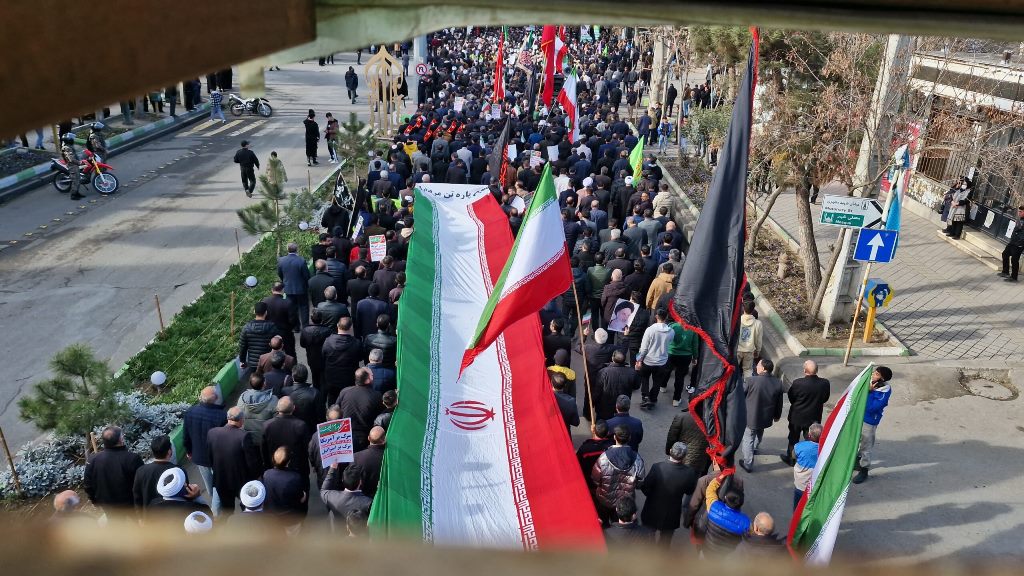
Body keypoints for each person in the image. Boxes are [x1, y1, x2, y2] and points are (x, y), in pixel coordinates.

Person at [207, 406, 261, 516]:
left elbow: (210, 456)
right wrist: (256, 477)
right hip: (241, 481)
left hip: (221, 479)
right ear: (241, 420)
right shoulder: (244, 436)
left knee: (227, 510)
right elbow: (251, 463)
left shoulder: (212, 433)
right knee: (247, 506)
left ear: (228, 418)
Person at [640, 441, 697, 547]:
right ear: (684, 456)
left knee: (648, 538)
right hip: (672, 513)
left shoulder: (657, 467)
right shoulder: (690, 472)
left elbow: (645, 487)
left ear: (670, 451)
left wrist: (650, 495)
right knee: (665, 542)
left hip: (652, 509)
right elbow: (689, 491)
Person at [182, 386, 227, 515]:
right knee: (218, 483)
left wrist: (189, 451)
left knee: (208, 482)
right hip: (216, 457)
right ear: (216, 398)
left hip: (198, 456)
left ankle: (214, 501)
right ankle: (215, 511)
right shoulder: (222, 415)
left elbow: (186, 435)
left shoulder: (190, 412)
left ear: (200, 398)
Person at [591, 425, 646, 526]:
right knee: (621, 525)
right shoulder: (637, 459)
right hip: (625, 503)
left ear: (614, 437)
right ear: (629, 438)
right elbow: (640, 483)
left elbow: (595, 480)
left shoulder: (603, 458)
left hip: (605, 500)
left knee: (604, 523)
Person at [83, 426, 144, 513]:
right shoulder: (132, 458)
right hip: (131, 505)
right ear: (121, 440)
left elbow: (88, 484)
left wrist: (94, 501)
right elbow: (142, 482)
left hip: (107, 506)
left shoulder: (93, 459)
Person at [740, 358, 784, 473]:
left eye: (758, 365)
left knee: (748, 439)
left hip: (751, 416)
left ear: (763, 368)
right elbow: (779, 403)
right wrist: (777, 416)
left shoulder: (750, 381)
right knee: (759, 432)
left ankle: (748, 463)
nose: (756, 367)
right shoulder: (778, 383)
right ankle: (754, 448)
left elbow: (740, 397)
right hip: (766, 417)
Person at [782, 360, 830, 465]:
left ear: (804, 370)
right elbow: (825, 398)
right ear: (817, 370)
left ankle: (791, 459)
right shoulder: (825, 383)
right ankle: (809, 459)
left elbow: (791, 397)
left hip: (797, 417)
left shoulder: (797, 383)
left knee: (793, 438)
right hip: (814, 417)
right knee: (811, 440)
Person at [262, 397, 312, 491]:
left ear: (277, 409)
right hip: (298, 467)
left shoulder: (267, 425)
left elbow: (263, 449)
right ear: (293, 408)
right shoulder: (301, 425)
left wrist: (267, 466)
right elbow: (307, 448)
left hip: (275, 466)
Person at [854, 365, 893, 484]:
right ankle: (856, 460)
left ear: (882, 379)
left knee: (866, 445)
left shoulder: (883, 392)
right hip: (859, 416)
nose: (872, 375)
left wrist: (868, 392)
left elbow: (871, 407)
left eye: (876, 374)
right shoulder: (870, 383)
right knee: (857, 440)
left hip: (869, 420)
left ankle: (864, 469)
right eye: (874, 372)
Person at [703, 470, 751, 557]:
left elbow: (710, 490)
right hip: (725, 557)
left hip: (707, 551)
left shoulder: (713, 507)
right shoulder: (746, 523)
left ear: (725, 498)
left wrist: (720, 477)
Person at [337, 368, 384, 451]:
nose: (373, 377)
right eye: (372, 375)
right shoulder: (376, 396)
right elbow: (380, 417)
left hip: (345, 435)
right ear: (367, 380)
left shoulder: (344, 392)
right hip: (364, 437)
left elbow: (336, 410)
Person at [635, 308, 674, 409]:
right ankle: (653, 399)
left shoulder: (650, 330)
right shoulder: (671, 331)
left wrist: (639, 359)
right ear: (666, 317)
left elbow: (644, 348)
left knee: (645, 378)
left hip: (648, 361)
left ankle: (645, 398)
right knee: (657, 382)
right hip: (662, 362)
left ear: (656, 316)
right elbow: (669, 343)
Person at [132, 435, 177, 516]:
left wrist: (140, 518)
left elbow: (137, 497)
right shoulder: (177, 471)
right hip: (173, 516)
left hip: (151, 517)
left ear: (153, 452)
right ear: (169, 451)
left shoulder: (141, 471)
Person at [262, 446, 308, 523]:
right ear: (288, 461)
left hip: (271, 518)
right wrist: (304, 494)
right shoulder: (295, 478)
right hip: (289, 519)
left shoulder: (266, 474)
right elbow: (301, 499)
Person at [322, 317, 363, 404]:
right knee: (348, 402)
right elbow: (360, 358)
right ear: (351, 328)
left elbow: (323, 357)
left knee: (332, 401)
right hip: (349, 379)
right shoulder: (356, 343)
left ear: (337, 325)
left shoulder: (328, 341)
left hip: (331, 378)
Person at [321, 463, 372, 532]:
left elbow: (323, 490)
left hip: (337, 534)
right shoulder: (368, 503)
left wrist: (332, 469)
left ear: (342, 480)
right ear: (360, 482)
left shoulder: (332, 497)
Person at [239, 303, 282, 379]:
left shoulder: (246, 328)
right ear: (266, 312)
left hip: (253, 364)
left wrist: (242, 360)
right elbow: (277, 343)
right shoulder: (272, 327)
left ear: (254, 312)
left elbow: (242, 346)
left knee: (256, 382)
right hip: (268, 362)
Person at [595, 350, 639, 421]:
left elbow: (597, 390)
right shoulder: (632, 372)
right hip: (622, 406)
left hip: (604, 407)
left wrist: (593, 402)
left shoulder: (603, 372)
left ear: (612, 358)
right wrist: (637, 371)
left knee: (602, 424)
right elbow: (636, 386)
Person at [237, 372, 279, 448]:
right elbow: (277, 420)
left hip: (248, 438)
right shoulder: (273, 400)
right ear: (264, 384)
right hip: (265, 439)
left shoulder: (242, 398)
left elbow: (238, 416)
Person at [666, 408, 711, 477]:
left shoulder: (682, 417)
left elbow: (672, 437)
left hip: (679, 456)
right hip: (699, 463)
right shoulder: (712, 421)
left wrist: (669, 451)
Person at [280, 364, 324, 433]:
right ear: (306, 377)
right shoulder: (315, 393)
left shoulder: (285, 391)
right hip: (310, 429)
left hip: (291, 429)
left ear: (293, 377)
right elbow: (321, 415)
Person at [278, 242, 312, 330]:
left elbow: (280, 274)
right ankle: (305, 327)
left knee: (292, 308)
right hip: (301, 288)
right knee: (304, 307)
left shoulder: (281, 260)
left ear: (287, 249)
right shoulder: (301, 260)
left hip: (288, 288)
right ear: (297, 249)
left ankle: (296, 327)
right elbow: (306, 275)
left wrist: (285, 282)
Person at [300, 309, 333, 392]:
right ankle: (323, 394)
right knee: (324, 378)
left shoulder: (305, 331)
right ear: (321, 319)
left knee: (315, 377)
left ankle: (316, 392)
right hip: (324, 359)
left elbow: (302, 344)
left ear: (311, 319)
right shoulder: (328, 331)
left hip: (312, 358)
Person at [793, 423, 823, 507]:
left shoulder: (799, 446)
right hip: (815, 486)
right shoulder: (824, 449)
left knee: (798, 507)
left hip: (800, 485)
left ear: (809, 435)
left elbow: (793, 455)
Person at [351, 426, 386, 497]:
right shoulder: (389, 458)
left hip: (363, 498)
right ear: (384, 440)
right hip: (383, 497)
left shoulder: (356, 457)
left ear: (368, 438)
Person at [736, 300, 763, 376]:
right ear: (753, 309)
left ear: (743, 308)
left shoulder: (738, 320)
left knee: (734, 368)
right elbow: (758, 340)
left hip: (737, 349)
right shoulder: (758, 323)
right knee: (747, 370)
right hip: (749, 350)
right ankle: (747, 383)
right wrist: (758, 351)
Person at [999, 205, 1024, 283]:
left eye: (1021, 212)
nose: (1019, 213)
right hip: (1013, 242)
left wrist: (1019, 243)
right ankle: (1005, 272)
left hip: (1019, 244)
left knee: (1014, 260)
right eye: (1019, 211)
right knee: (1005, 254)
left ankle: (1014, 277)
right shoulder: (1020, 219)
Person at [60, 133, 84, 201]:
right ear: (68, 140)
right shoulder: (66, 148)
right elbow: (71, 159)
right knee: (75, 181)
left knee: (78, 180)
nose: (73, 140)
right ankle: (73, 195)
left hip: (75, 165)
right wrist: (79, 162)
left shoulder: (69, 146)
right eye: (71, 139)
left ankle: (77, 193)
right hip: (72, 166)